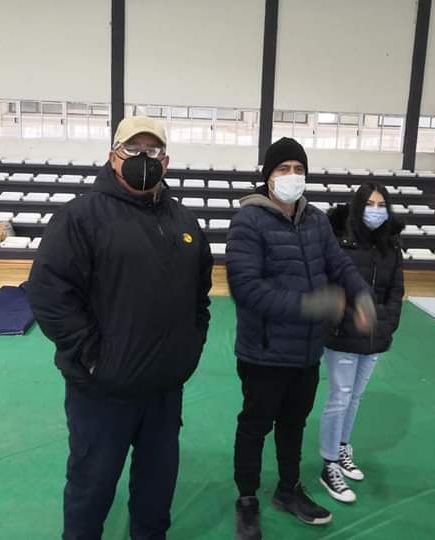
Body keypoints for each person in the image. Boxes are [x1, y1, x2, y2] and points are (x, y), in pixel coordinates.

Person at [26, 116, 213, 540]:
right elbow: (48, 293)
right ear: (113, 157)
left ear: (166, 161)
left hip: (164, 390)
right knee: (90, 491)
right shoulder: (80, 217)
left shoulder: (184, 222)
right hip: (101, 392)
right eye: (133, 149)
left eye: (153, 151)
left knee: (156, 492)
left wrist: (190, 348)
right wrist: (94, 358)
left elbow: (199, 294)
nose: (143, 158)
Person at [225, 137, 377, 540]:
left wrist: (360, 293)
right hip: (264, 351)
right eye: (283, 169)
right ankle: (247, 499)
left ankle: (288, 490)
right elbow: (246, 288)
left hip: (306, 351)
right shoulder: (248, 221)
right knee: (255, 426)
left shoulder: (316, 220)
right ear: (268, 176)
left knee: (293, 424)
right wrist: (310, 305)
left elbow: (338, 264)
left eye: (298, 168)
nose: (292, 176)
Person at [318, 182, 405, 504]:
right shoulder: (338, 241)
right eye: (370, 204)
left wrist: (386, 323)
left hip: (375, 335)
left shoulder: (391, 246)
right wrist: (345, 318)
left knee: (355, 396)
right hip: (343, 333)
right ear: (358, 206)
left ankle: (342, 447)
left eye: (382, 205)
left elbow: (396, 290)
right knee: (339, 397)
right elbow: (329, 286)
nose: (376, 211)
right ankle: (329, 463)